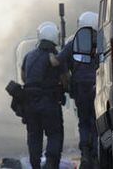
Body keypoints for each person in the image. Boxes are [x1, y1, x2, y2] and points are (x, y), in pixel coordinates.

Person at [50, 12, 99, 169]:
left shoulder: (73, 43)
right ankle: (97, 156)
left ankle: (85, 154)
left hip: (80, 88)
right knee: (97, 123)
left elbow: (57, 62)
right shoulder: (102, 41)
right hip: (98, 86)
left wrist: (46, 55)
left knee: (84, 122)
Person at [21, 22, 64, 169]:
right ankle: (51, 163)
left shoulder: (28, 56)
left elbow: (24, 77)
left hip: (30, 104)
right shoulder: (56, 57)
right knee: (54, 134)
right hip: (49, 102)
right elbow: (65, 79)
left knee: (34, 136)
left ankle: (35, 165)